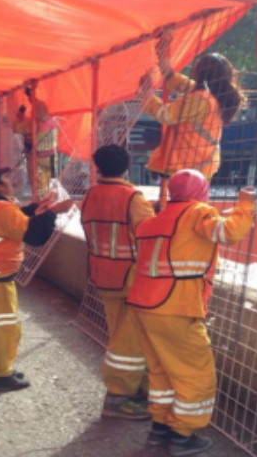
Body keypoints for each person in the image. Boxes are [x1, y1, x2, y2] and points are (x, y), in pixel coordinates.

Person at [127, 170, 256, 456]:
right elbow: (228, 232)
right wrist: (246, 204)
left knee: (160, 370)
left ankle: (160, 427)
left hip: (142, 305)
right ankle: (183, 435)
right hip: (176, 306)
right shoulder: (197, 212)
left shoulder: (153, 219)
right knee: (194, 373)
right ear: (201, 191)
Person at [0, 167, 74, 391]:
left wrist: (39, 209)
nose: (10, 182)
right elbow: (34, 235)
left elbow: (17, 219)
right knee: (2, 327)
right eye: (5, 179)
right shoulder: (1, 208)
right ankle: (0, 374)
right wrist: (53, 212)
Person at [81, 145, 156, 420]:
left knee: (119, 334)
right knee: (130, 340)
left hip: (103, 274)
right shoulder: (132, 198)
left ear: (98, 166)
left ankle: (137, 389)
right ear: (127, 166)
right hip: (131, 279)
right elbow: (152, 236)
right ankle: (118, 397)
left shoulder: (90, 194)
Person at [139, 30, 245, 183]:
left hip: (188, 164)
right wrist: (162, 50)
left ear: (200, 72)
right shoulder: (212, 95)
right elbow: (172, 78)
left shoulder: (200, 98)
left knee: (185, 204)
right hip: (198, 164)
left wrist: (147, 93)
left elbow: (166, 115)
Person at [12, 84, 59, 200]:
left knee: (38, 187)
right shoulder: (52, 121)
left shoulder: (32, 124)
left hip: (36, 159)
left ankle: (40, 207)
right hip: (52, 158)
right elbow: (39, 106)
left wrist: (20, 117)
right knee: (49, 184)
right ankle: (48, 203)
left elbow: (16, 128)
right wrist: (30, 95)